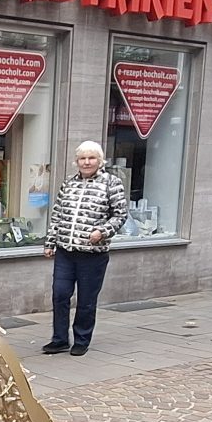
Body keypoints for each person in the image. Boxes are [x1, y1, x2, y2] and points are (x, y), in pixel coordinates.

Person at [41, 141, 128, 357]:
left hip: (92, 254)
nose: (86, 162)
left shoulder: (111, 183)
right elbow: (57, 215)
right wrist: (50, 242)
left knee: (86, 300)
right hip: (65, 251)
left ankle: (81, 339)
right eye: (82, 158)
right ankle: (60, 339)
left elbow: (120, 215)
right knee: (60, 294)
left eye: (91, 158)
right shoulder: (69, 183)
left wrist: (102, 232)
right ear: (77, 161)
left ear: (100, 161)